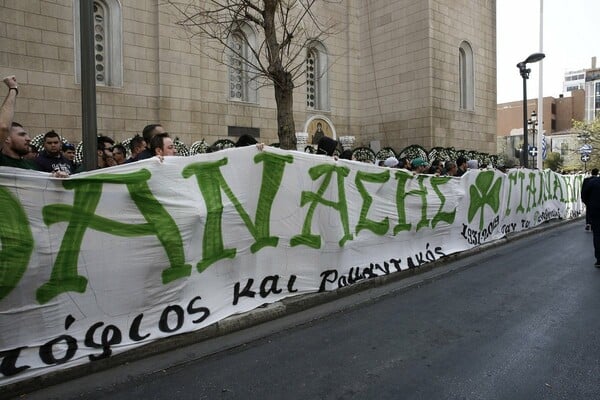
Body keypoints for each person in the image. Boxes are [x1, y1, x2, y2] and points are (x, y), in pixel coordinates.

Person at [0, 75, 38, 170]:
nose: (28, 139)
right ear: (7, 138)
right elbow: (3, 127)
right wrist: (13, 89)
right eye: (22, 135)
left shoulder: (32, 166)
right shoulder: (2, 161)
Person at [581, 174, 600, 267]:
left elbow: (584, 195)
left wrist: (590, 205)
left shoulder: (593, 182)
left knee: (597, 235)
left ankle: (599, 259)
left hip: (596, 211)